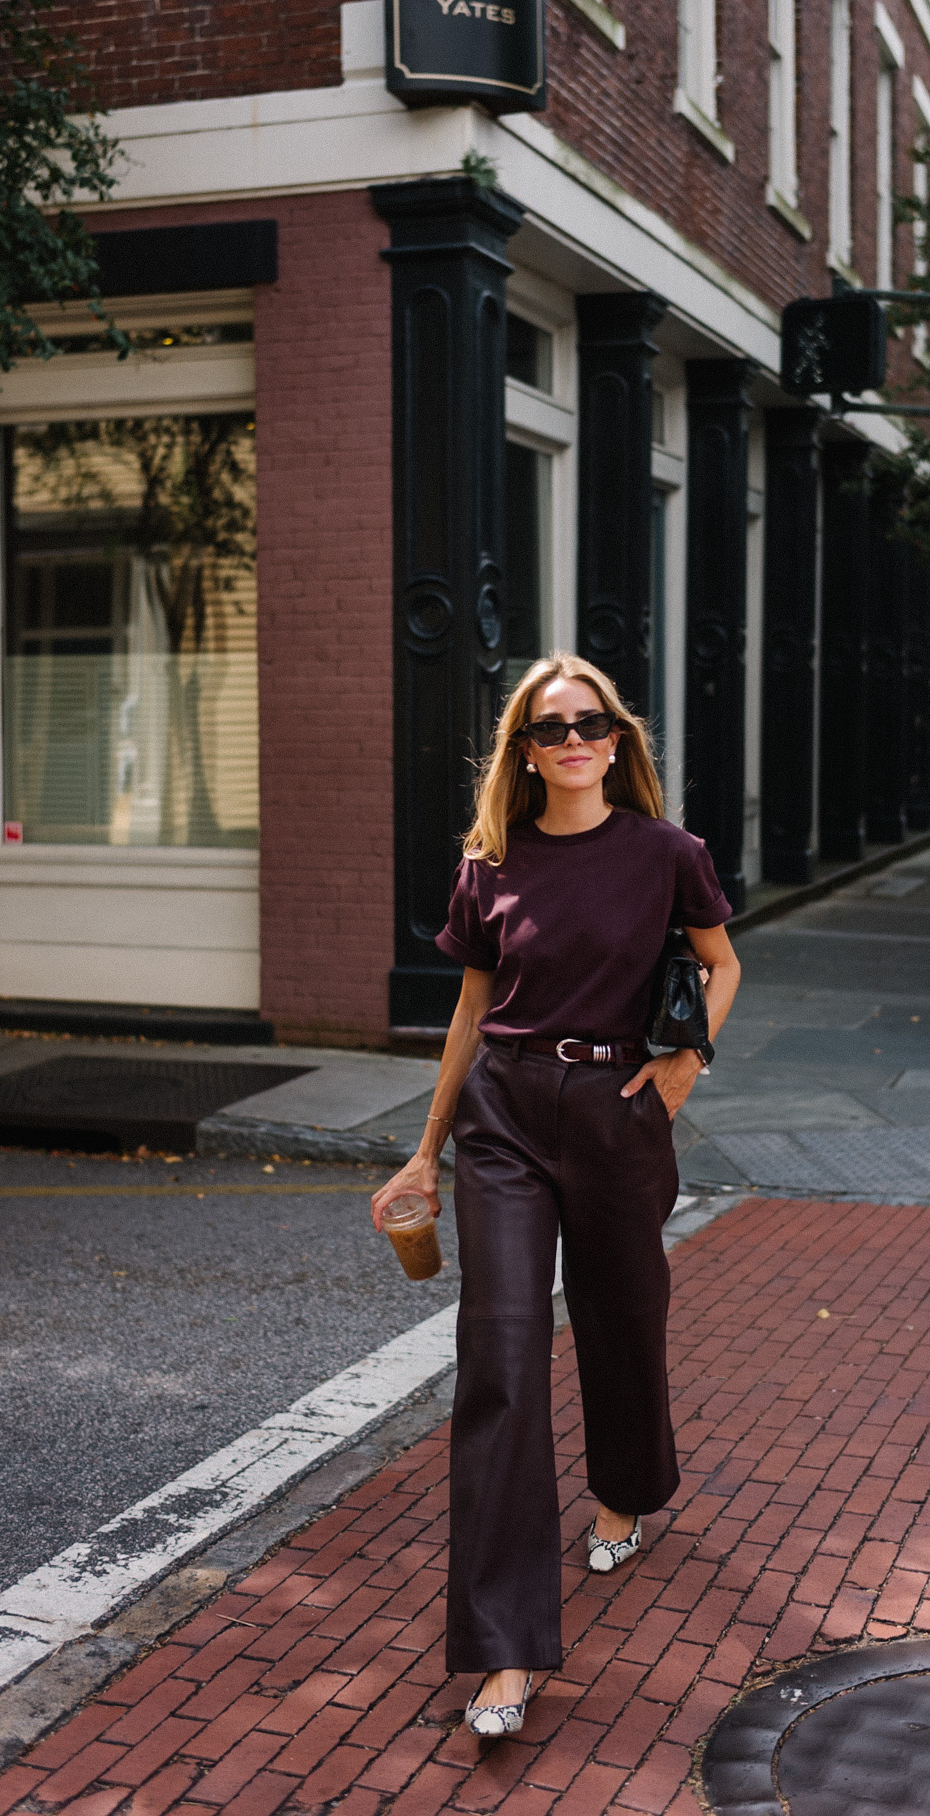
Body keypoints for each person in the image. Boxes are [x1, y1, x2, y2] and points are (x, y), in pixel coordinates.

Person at [371, 651, 741, 1738]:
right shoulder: (489, 865)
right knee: (500, 1358)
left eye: (591, 722)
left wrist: (685, 1066)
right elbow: (472, 1006)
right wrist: (423, 1149)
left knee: (624, 1321)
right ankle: (504, 1651)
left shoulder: (668, 854)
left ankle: (627, 1488)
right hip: (507, 1118)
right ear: (523, 755)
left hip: (621, 1113)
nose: (572, 739)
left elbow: (720, 963)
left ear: (617, 740)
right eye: (549, 728)